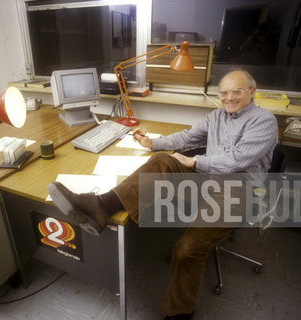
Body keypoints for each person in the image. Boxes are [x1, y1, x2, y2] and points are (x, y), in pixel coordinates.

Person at [48, 70, 278, 320]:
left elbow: (237, 160)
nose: (229, 98)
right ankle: (101, 205)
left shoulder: (263, 121)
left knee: (187, 250)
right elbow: (189, 136)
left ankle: (179, 313)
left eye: (237, 91)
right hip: (207, 181)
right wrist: (154, 144)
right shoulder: (217, 116)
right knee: (162, 161)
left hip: (238, 190)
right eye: (224, 92)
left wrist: (194, 162)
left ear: (252, 92)